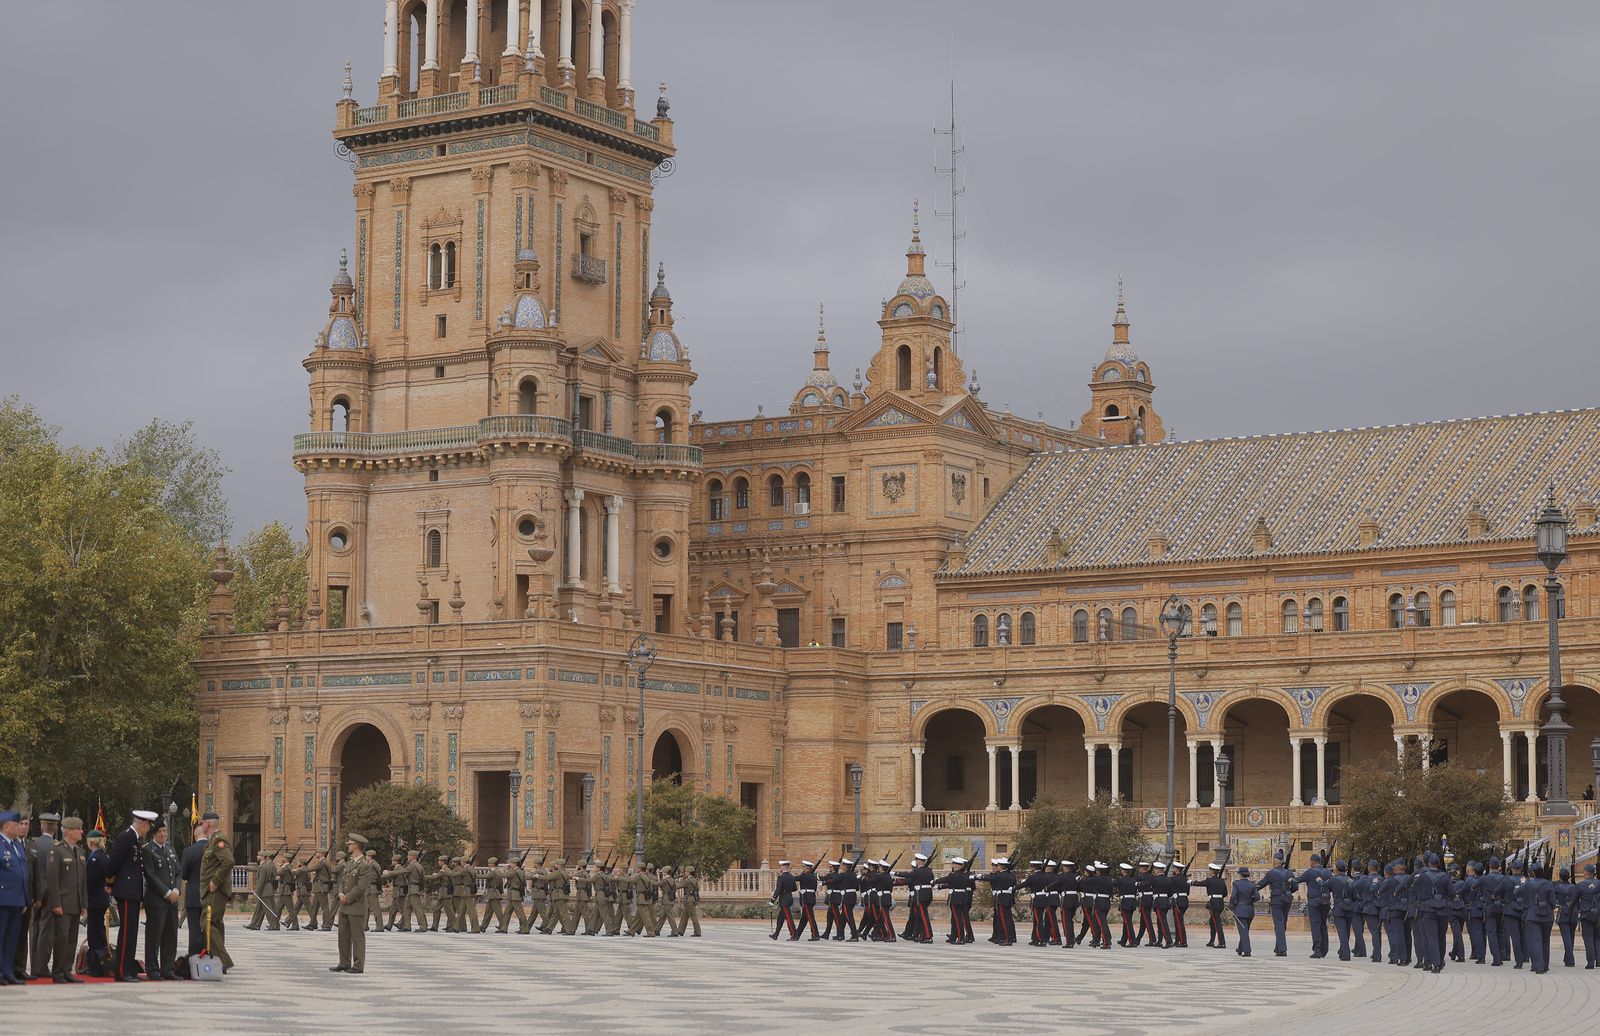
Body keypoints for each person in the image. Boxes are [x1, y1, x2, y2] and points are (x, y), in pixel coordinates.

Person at [106, 808, 156, 980]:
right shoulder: (126, 837)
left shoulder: (134, 839)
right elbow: (113, 863)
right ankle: (121, 971)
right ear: (143, 824)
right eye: (148, 826)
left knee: (132, 932)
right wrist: (110, 884)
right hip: (126, 890)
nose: (148, 830)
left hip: (132, 891)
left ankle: (128, 968)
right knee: (127, 932)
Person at [46, 817, 87, 983]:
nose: (82, 831)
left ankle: (67, 971)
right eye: (78, 829)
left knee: (71, 939)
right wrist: (56, 903)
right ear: (68, 831)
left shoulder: (80, 852)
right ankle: (57, 972)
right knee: (61, 939)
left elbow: (83, 881)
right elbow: (52, 880)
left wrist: (84, 903)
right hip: (62, 903)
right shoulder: (57, 850)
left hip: (75, 903)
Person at [141, 816, 181, 980]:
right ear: (153, 833)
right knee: (154, 936)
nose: (163, 834)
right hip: (157, 900)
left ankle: (168, 968)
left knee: (171, 936)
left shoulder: (170, 850)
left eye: (165, 831)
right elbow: (150, 875)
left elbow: (178, 872)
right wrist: (167, 893)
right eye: (160, 831)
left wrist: (176, 890)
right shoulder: (148, 850)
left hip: (173, 901)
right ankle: (152, 969)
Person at [331, 833, 373, 974]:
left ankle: (358, 965)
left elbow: (361, 887)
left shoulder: (364, 865)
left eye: (350, 844)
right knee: (343, 936)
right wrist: (340, 893)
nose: (348, 846)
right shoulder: (349, 863)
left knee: (357, 937)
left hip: (356, 905)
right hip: (344, 905)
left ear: (355, 846)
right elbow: (342, 881)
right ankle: (344, 962)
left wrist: (347, 897)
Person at [198, 827, 236, 973]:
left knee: (207, 922)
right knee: (216, 924)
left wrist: (216, 880)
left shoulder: (218, 839)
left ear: (207, 824)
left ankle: (224, 961)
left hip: (216, 890)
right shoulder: (213, 839)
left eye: (202, 822)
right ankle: (219, 962)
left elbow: (229, 861)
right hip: (213, 890)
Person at [28, 811, 60, 981]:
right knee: (46, 932)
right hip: (49, 894)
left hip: (33, 894)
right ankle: (41, 967)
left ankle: (34, 965)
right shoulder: (56, 846)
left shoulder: (32, 844)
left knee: (34, 930)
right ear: (55, 828)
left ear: (41, 826)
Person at [180, 813, 217, 957]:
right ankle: (210, 956)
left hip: (193, 895)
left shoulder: (188, 851)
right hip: (210, 894)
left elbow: (184, 875)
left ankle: (194, 958)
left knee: (194, 930)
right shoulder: (214, 850)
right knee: (210, 929)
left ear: (195, 836)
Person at [0, 811, 29, 986]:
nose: (19, 827)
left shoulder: (17, 846)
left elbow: (23, 874)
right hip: (3, 899)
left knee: (12, 939)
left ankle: (8, 971)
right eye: (15, 825)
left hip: (17, 900)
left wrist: (25, 898)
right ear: (5, 827)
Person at [1257, 849, 1297, 957]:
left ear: (1274, 862)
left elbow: (1260, 885)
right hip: (1287, 900)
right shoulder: (1289, 873)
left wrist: (1250, 888)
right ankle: (1278, 948)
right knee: (1282, 924)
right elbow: (1295, 887)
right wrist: (1287, 892)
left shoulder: (1271, 873)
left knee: (1279, 924)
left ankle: (1282, 949)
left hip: (1276, 901)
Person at [83, 829, 111, 976]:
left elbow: (90, 881)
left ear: (91, 842)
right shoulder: (103, 856)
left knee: (95, 933)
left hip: (95, 899)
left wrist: (85, 896)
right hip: (101, 899)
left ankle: (96, 965)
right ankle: (98, 963)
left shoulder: (95, 858)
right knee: (97, 931)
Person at [1300, 852, 1332, 959]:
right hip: (1325, 902)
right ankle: (1324, 949)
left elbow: (1297, 880)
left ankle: (1317, 950)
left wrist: (1290, 880)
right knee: (1323, 925)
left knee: (1315, 925)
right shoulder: (1328, 872)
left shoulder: (1310, 872)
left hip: (1314, 903)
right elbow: (1331, 886)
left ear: (1311, 862)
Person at [1229, 866, 1258, 957]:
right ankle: (1240, 949)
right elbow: (1257, 897)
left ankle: (1247, 951)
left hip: (1240, 909)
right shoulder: (1252, 884)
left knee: (1243, 931)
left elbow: (1233, 896)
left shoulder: (1236, 884)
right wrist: (1250, 901)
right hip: (1250, 910)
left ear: (1240, 875)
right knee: (1245, 930)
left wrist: (1231, 905)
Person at [1554, 865, 1580, 968]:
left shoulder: (1557, 888)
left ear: (1560, 877)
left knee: (1566, 939)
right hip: (1573, 913)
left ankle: (1570, 960)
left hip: (1563, 913)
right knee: (1571, 937)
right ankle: (1567, 957)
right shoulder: (1574, 887)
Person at [1576, 863, 1600, 969]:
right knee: (1598, 937)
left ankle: (1590, 962)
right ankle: (1598, 960)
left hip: (1586, 914)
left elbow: (1575, 899)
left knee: (1588, 938)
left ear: (1585, 872)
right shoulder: (1598, 883)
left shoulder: (1580, 885)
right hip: (1598, 913)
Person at [770, 860, 798, 940]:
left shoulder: (781, 877)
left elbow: (778, 889)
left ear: (782, 867)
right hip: (789, 897)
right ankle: (776, 934)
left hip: (784, 899)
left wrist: (773, 900)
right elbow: (795, 888)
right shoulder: (791, 877)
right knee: (780, 918)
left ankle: (794, 934)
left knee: (788, 918)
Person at [676, 866, 702, 937]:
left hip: (688, 900)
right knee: (684, 916)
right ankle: (680, 931)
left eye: (685, 872)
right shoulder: (694, 880)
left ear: (688, 872)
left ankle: (697, 932)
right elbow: (697, 889)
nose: (685, 873)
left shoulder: (687, 880)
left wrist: (679, 880)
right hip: (692, 899)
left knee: (693, 916)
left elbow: (678, 886)